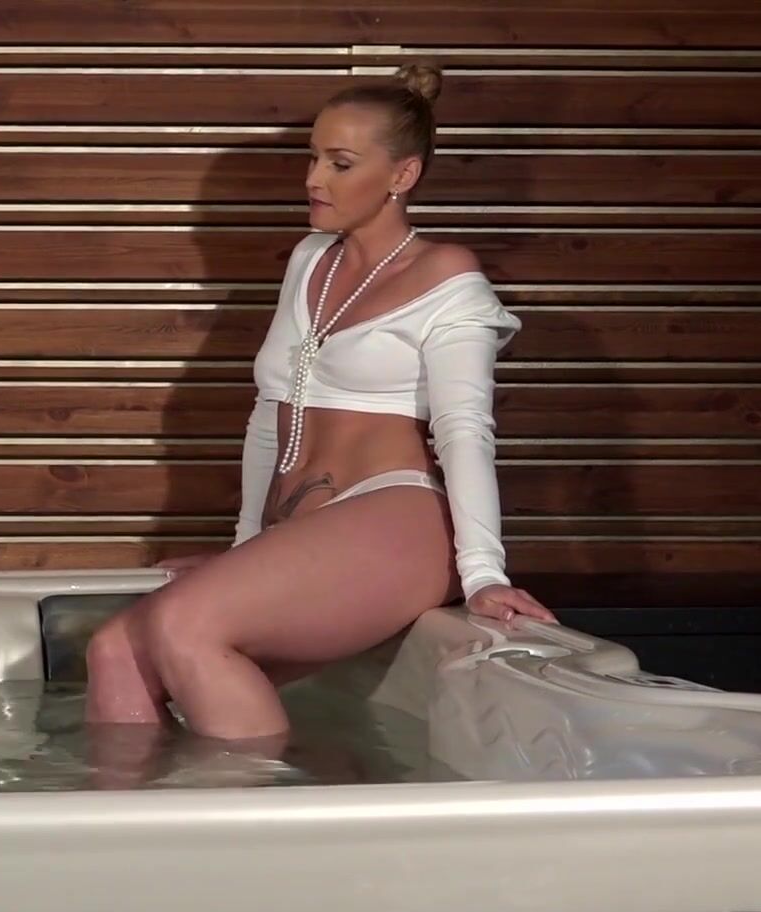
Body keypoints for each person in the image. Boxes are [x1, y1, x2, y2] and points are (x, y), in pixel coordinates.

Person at [85, 63, 556, 740]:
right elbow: (269, 415)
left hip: (395, 515)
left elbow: (464, 430)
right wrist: (245, 549)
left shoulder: (448, 275)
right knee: (114, 650)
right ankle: (137, 811)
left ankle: (257, 809)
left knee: (183, 624)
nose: (313, 179)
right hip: (304, 525)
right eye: (312, 159)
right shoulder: (311, 260)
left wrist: (483, 574)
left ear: (402, 175)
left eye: (340, 164)